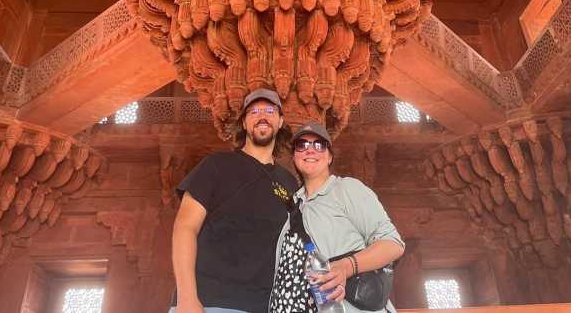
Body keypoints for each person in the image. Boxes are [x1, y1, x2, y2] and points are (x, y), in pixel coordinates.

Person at [171, 88, 298, 313]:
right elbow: (185, 228)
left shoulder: (289, 183)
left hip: (265, 305)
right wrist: (187, 298)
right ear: (244, 123)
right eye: (253, 111)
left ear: (280, 122)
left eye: (270, 110)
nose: (262, 115)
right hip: (210, 302)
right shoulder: (216, 165)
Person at [270, 121, 405, 313]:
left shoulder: (346, 189)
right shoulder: (293, 206)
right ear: (294, 157)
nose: (310, 150)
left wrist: (346, 266)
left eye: (319, 145)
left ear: (329, 156)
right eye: (302, 145)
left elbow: (393, 244)